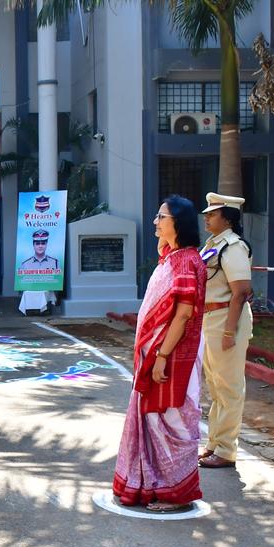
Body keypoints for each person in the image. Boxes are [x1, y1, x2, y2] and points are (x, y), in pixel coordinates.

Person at [112, 195, 206, 513]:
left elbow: (183, 314)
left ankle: (176, 494)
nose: (155, 221)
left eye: (161, 216)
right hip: (157, 356)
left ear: (178, 222)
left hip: (173, 359)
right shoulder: (172, 257)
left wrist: (162, 356)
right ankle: (153, 485)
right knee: (154, 419)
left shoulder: (185, 261)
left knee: (171, 422)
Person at [197, 193, 254, 470]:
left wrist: (230, 331)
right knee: (216, 386)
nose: (206, 217)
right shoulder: (212, 245)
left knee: (229, 386)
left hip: (224, 318)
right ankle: (214, 443)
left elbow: (241, 291)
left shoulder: (233, 247)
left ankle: (227, 449)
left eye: (213, 213)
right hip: (210, 318)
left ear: (228, 218)